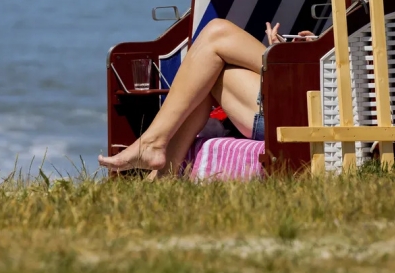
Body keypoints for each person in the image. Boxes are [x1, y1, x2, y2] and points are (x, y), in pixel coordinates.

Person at [98, 19, 314, 176]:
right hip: (305, 102)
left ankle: (154, 147)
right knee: (207, 71)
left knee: (217, 33)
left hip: (307, 110)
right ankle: (163, 169)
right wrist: (310, 46)